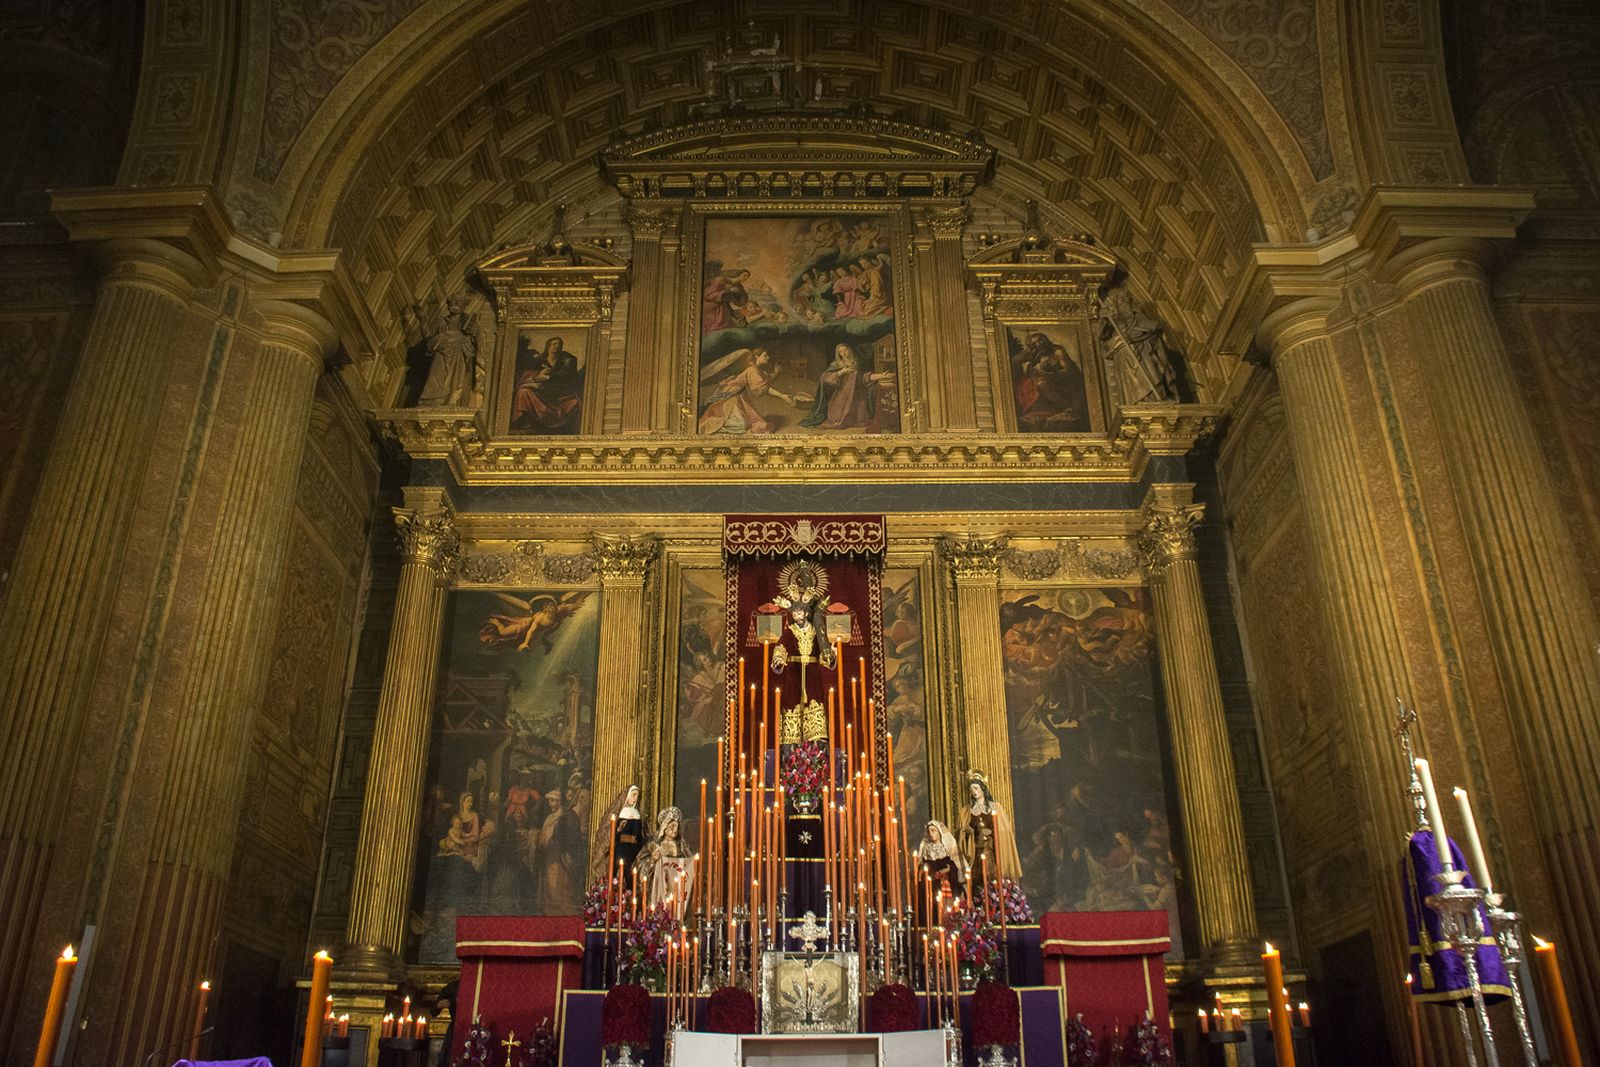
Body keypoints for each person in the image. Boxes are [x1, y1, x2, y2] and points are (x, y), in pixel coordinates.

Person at [698, 348, 801, 434]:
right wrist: (782, 396)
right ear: (757, 356)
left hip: (738, 395)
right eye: (765, 355)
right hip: (732, 394)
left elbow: (763, 379)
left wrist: (775, 373)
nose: (768, 358)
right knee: (739, 425)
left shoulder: (756, 369)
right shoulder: (752, 370)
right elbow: (762, 387)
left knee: (744, 423)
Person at [800, 343, 888, 431]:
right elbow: (824, 377)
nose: (844, 353)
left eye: (845, 350)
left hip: (857, 394)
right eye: (841, 352)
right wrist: (842, 372)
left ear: (849, 350)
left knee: (861, 418)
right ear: (839, 354)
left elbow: (864, 377)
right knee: (836, 417)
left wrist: (881, 375)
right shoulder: (837, 364)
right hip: (842, 394)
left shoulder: (858, 363)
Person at [960, 771, 1022, 890]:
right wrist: (969, 833)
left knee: (993, 878)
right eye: (971, 789)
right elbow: (961, 835)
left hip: (992, 851)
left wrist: (992, 833)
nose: (974, 791)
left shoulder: (995, 808)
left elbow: (1005, 831)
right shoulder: (966, 811)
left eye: (976, 788)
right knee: (977, 881)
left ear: (983, 788)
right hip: (975, 853)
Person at [510, 335, 583, 433]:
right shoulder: (539, 360)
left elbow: (567, 377)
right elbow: (529, 373)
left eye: (559, 344)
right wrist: (538, 375)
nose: (557, 346)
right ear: (548, 346)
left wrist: (550, 375)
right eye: (554, 344)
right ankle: (525, 420)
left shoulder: (568, 360)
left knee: (573, 401)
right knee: (523, 391)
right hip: (540, 388)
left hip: (558, 390)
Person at [416, 295, 477, 406]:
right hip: (441, 353)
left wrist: (472, 334)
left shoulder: (468, 321)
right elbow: (428, 335)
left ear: (464, 307)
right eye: (453, 301)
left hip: (458, 355)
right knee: (437, 377)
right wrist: (422, 319)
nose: (456, 303)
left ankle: (451, 402)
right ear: (448, 305)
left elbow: (475, 340)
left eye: (459, 301)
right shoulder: (441, 321)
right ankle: (431, 402)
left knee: (456, 380)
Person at [640, 806, 697, 920]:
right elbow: (640, 868)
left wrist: (693, 862)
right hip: (659, 887)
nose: (675, 829)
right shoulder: (654, 845)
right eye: (672, 826)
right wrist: (652, 860)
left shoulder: (681, 846)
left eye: (677, 826)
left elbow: (690, 864)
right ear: (664, 827)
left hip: (678, 891)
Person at [913, 820, 965, 921]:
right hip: (932, 882)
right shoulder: (927, 848)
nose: (931, 834)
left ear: (939, 832)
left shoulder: (946, 847)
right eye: (929, 831)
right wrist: (930, 872)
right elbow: (923, 866)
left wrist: (947, 870)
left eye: (934, 830)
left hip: (947, 880)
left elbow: (953, 864)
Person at [702, 268, 751, 334]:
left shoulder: (739, 287)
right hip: (712, 306)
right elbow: (707, 294)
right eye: (744, 275)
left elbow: (740, 302)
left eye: (747, 277)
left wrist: (738, 294)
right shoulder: (720, 280)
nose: (746, 278)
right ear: (739, 274)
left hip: (724, 307)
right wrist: (728, 291)